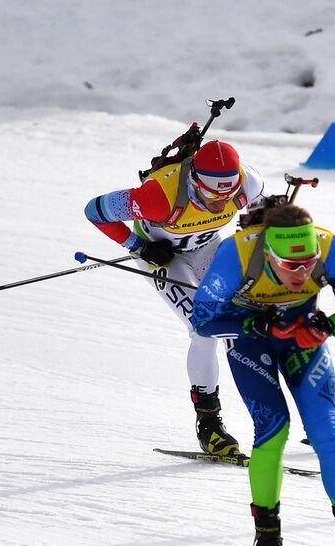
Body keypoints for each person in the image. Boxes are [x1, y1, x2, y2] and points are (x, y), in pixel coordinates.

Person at [189, 202, 335, 546]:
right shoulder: (238, 253)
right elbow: (203, 321)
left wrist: (327, 326)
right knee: (273, 430)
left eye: (308, 263)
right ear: (269, 252)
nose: (303, 272)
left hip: (302, 341)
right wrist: (257, 326)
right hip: (251, 342)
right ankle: (268, 543)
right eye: (291, 265)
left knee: (326, 429)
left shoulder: (328, 248)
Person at [85, 139, 265, 457]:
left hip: (209, 247)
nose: (220, 203)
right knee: (204, 329)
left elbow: (263, 212)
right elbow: (95, 211)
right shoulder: (157, 197)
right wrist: (137, 246)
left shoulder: (249, 183)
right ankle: (209, 424)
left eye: (228, 195)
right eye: (212, 194)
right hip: (164, 257)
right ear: (195, 181)